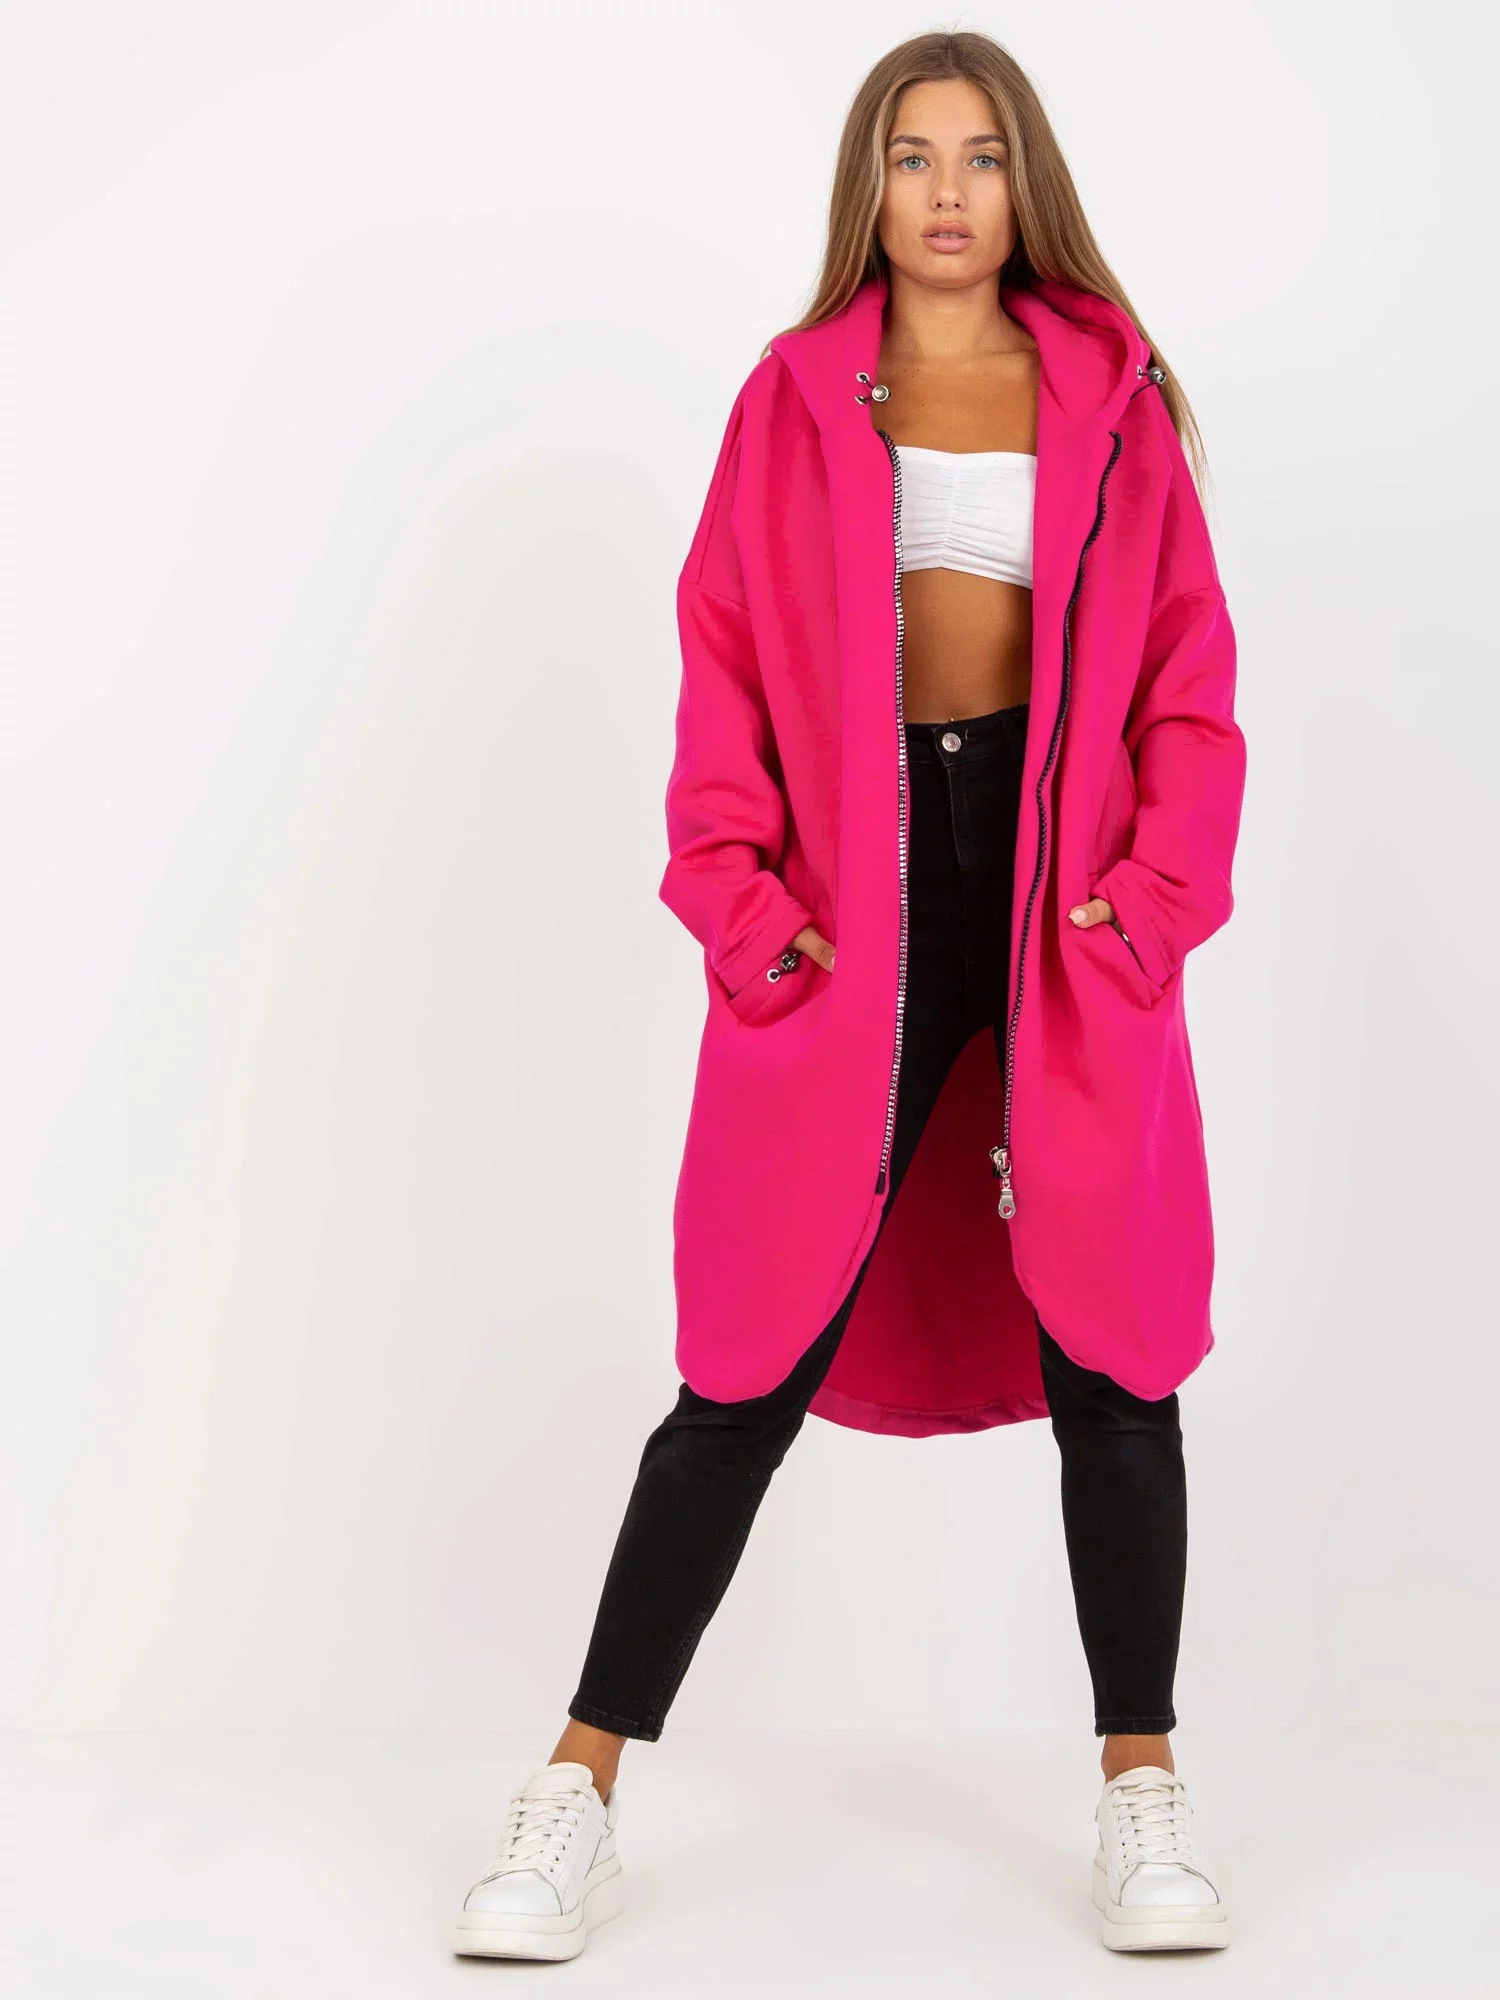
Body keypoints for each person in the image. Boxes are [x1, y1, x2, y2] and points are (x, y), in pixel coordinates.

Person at [453, 29, 1246, 1964]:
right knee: (741, 1367)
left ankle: (1142, 1790)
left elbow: (1188, 684)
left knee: (1117, 1361)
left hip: (1058, 901)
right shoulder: (798, 394)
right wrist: (739, 900)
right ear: (868, 187)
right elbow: (721, 656)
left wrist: (1149, 907)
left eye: (980, 155)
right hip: (849, 912)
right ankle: (576, 1793)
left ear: (1025, 178)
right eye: (912, 156)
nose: (949, 191)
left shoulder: (1118, 397)